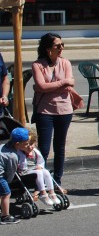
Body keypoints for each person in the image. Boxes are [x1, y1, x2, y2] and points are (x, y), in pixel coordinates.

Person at [31, 33, 76, 190]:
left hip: (65, 109)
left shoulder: (66, 63)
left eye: (63, 45)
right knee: (43, 148)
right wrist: (63, 83)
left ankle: (57, 180)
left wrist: (53, 85)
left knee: (60, 147)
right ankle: (40, 183)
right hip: (45, 110)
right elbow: (42, 86)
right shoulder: (38, 65)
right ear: (48, 49)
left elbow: (72, 83)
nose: (61, 48)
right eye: (58, 46)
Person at [15, 129, 61, 207]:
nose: (30, 147)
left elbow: (41, 161)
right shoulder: (19, 153)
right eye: (27, 145)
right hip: (24, 172)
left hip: (34, 169)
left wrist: (40, 166)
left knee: (45, 171)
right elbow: (20, 166)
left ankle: (52, 192)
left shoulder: (35, 152)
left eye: (32, 144)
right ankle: (43, 193)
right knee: (39, 172)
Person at [0, 152, 20, 224]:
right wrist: (8, 181)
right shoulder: (13, 155)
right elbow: (11, 171)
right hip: (1, 177)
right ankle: (5, 216)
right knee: (6, 194)